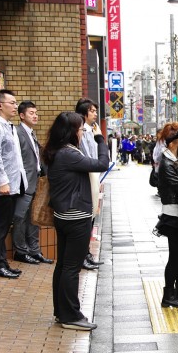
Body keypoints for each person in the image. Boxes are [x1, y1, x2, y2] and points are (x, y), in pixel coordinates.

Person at [43, 112, 109, 330]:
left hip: (63, 215)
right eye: (81, 129)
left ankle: (61, 311)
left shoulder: (56, 152)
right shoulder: (68, 154)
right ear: (71, 131)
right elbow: (101, 164)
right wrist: (100, 139)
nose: (83, 133)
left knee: (63, 265)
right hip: (76, 216)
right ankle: (71, 316)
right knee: (71, 267)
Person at [0, 90, 27, 278]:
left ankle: (0, 261)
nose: (15, 105)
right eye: (11, 102)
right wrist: (1, 182)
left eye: (15, 102)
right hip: (2, 187)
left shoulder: (9, 126)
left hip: (13, 183)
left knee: (4, 226)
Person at [11, 101, 53, 265]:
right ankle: (20, 252)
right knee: (20, 217)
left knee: (34, 218)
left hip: (35, 182)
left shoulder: (31, 133)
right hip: (24, 183)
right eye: (31, 113)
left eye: (36, 112)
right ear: (22, 115)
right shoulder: (18, 132)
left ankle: (34, 251)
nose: (35, 116)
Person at [157, 129, 178, 308]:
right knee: (175, 255)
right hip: (172, 214)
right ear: (172, 143)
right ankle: (168, 293)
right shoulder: (167, 162)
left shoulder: (175, 160)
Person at [75, 98, 103, 271]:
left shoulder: (91, 130)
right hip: (87, 176)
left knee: (91, 218)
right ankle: (82, 255)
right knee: (87, 218)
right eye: (92, 111)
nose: (95, 114)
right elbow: (87, 155)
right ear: (84, 113)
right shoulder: (81, 131)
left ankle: (86, 254)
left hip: (94, 175)